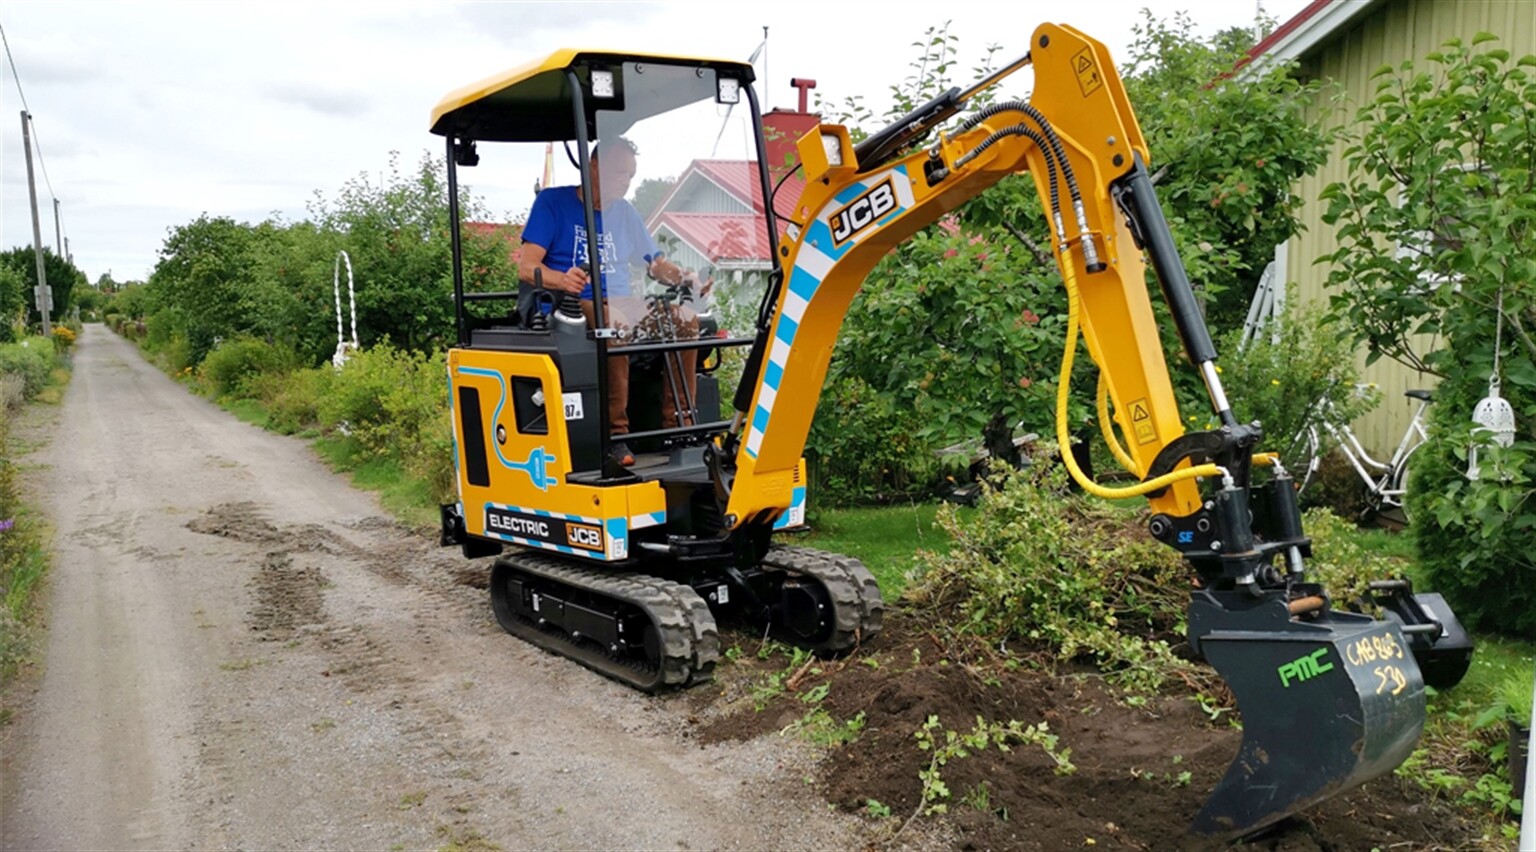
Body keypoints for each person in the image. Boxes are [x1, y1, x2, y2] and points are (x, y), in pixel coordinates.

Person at [519, 137, 699, 466]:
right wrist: (562, 279)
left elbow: (655, 264)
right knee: (613, 323)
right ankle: (616, 436)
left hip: (619, 301)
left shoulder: (625, 213)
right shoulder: (553, 203)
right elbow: (527, 265)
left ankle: (680, 428)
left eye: (630, 175)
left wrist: (682, 277)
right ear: (594, 166)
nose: (626, 181)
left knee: (686, 318)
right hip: (570, 303)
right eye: (619, 172)